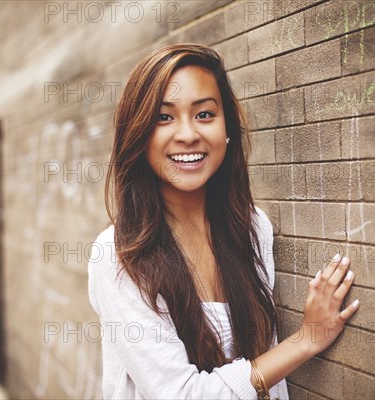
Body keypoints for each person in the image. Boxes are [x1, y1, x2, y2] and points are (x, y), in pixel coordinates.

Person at [87, 43, 360, 400]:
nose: (187, 134)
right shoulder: (119, 256)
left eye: (204, 114)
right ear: (138, 135)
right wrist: (305, 340)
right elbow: (182, 395)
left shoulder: (252, 228)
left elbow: (267, 372)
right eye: (164, 117)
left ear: (227, 129)